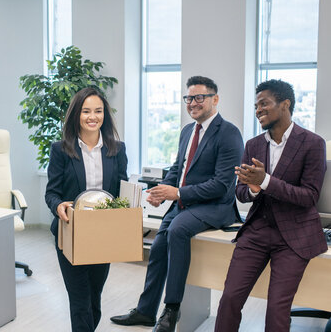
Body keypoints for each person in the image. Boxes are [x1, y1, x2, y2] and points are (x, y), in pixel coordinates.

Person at [111, 76, 244, 332]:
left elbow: (222, 185)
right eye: (188, 98)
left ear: (214, 99)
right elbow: (177, 169)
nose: (192, 103)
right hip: (185, 204)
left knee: (177, 230)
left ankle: (171, 310)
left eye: (199, 97)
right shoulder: (187, 131)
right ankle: (145, 311)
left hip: (215, 207)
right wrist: (160, 191)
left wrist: (178, 193)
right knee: (158, 246)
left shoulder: (229, 133)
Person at [214, 80, 327, 332]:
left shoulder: (312, 143)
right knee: (230, 298)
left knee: (277, 308)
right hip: (257, 232)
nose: (257, 110)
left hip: (294, 236)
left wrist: (264, 181)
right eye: (256, 106)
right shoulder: (253, 145)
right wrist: (253, 189)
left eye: (264, 104)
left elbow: (309, 196)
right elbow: (241, 193)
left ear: (285, 105)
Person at [45, 87, 128, 331]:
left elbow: (121, 191)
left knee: (94, 298)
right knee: (80, 300)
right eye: (86, 111)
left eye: (98, 111)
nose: (93, 117)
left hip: (103, 235)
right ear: (76, 115)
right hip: (70, 232)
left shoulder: (117, 149)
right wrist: (58, 205)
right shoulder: (61, 149)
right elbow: (52, 192)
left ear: (105, 115)